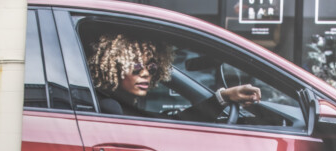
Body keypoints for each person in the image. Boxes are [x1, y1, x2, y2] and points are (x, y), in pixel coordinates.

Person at [87, 34, 261, 120]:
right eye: (137, 67)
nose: (146, 73)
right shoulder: (110, 109)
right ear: (115, 66)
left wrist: (224, 96)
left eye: (152, 67)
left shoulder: (123, 106)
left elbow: (168, 123)